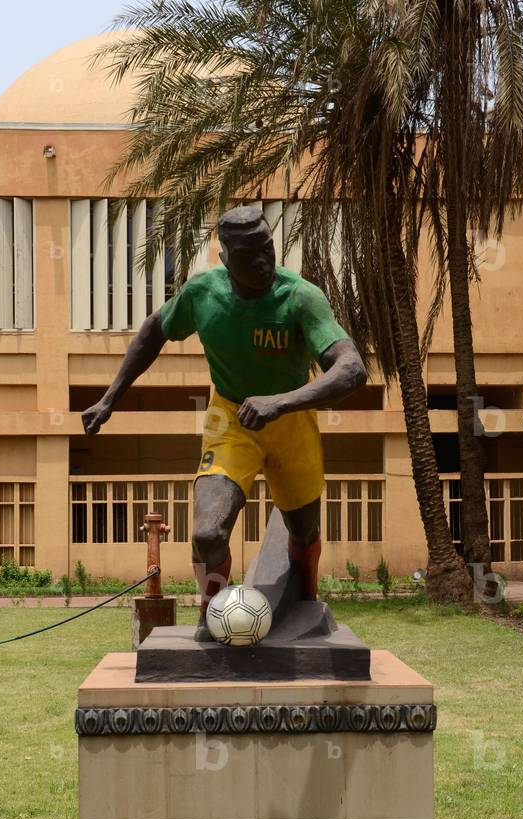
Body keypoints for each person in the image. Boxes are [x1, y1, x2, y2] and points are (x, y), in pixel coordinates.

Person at [82, 205, 366, 640]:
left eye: (268, 248)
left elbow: (351, 369)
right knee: (207, 531)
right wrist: (109, 399)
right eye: (249, 253)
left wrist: (281, 402)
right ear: (225, 257)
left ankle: (306, 600)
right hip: (230, 419)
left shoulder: (300, 297)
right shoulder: (202, 293)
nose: (263, 261)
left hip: (291, 421)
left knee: (303, 530)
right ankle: (213, 610)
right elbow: (153, 331)